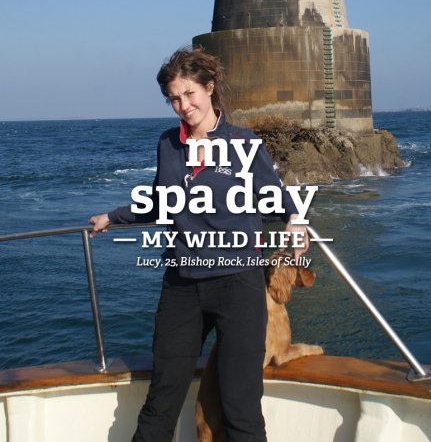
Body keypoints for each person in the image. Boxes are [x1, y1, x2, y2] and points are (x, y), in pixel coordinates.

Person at [89, 47, 309, 442]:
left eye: (189, 94)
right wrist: (114, 216)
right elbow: (160, 201)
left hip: (238, 283)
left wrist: (296, 220)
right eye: (174, 98)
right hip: (181, 285)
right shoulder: (168, 144)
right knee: (162, 400)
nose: (182, 105)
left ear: (209, 88)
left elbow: (276, 197)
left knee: (241, 405)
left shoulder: (244, 143)